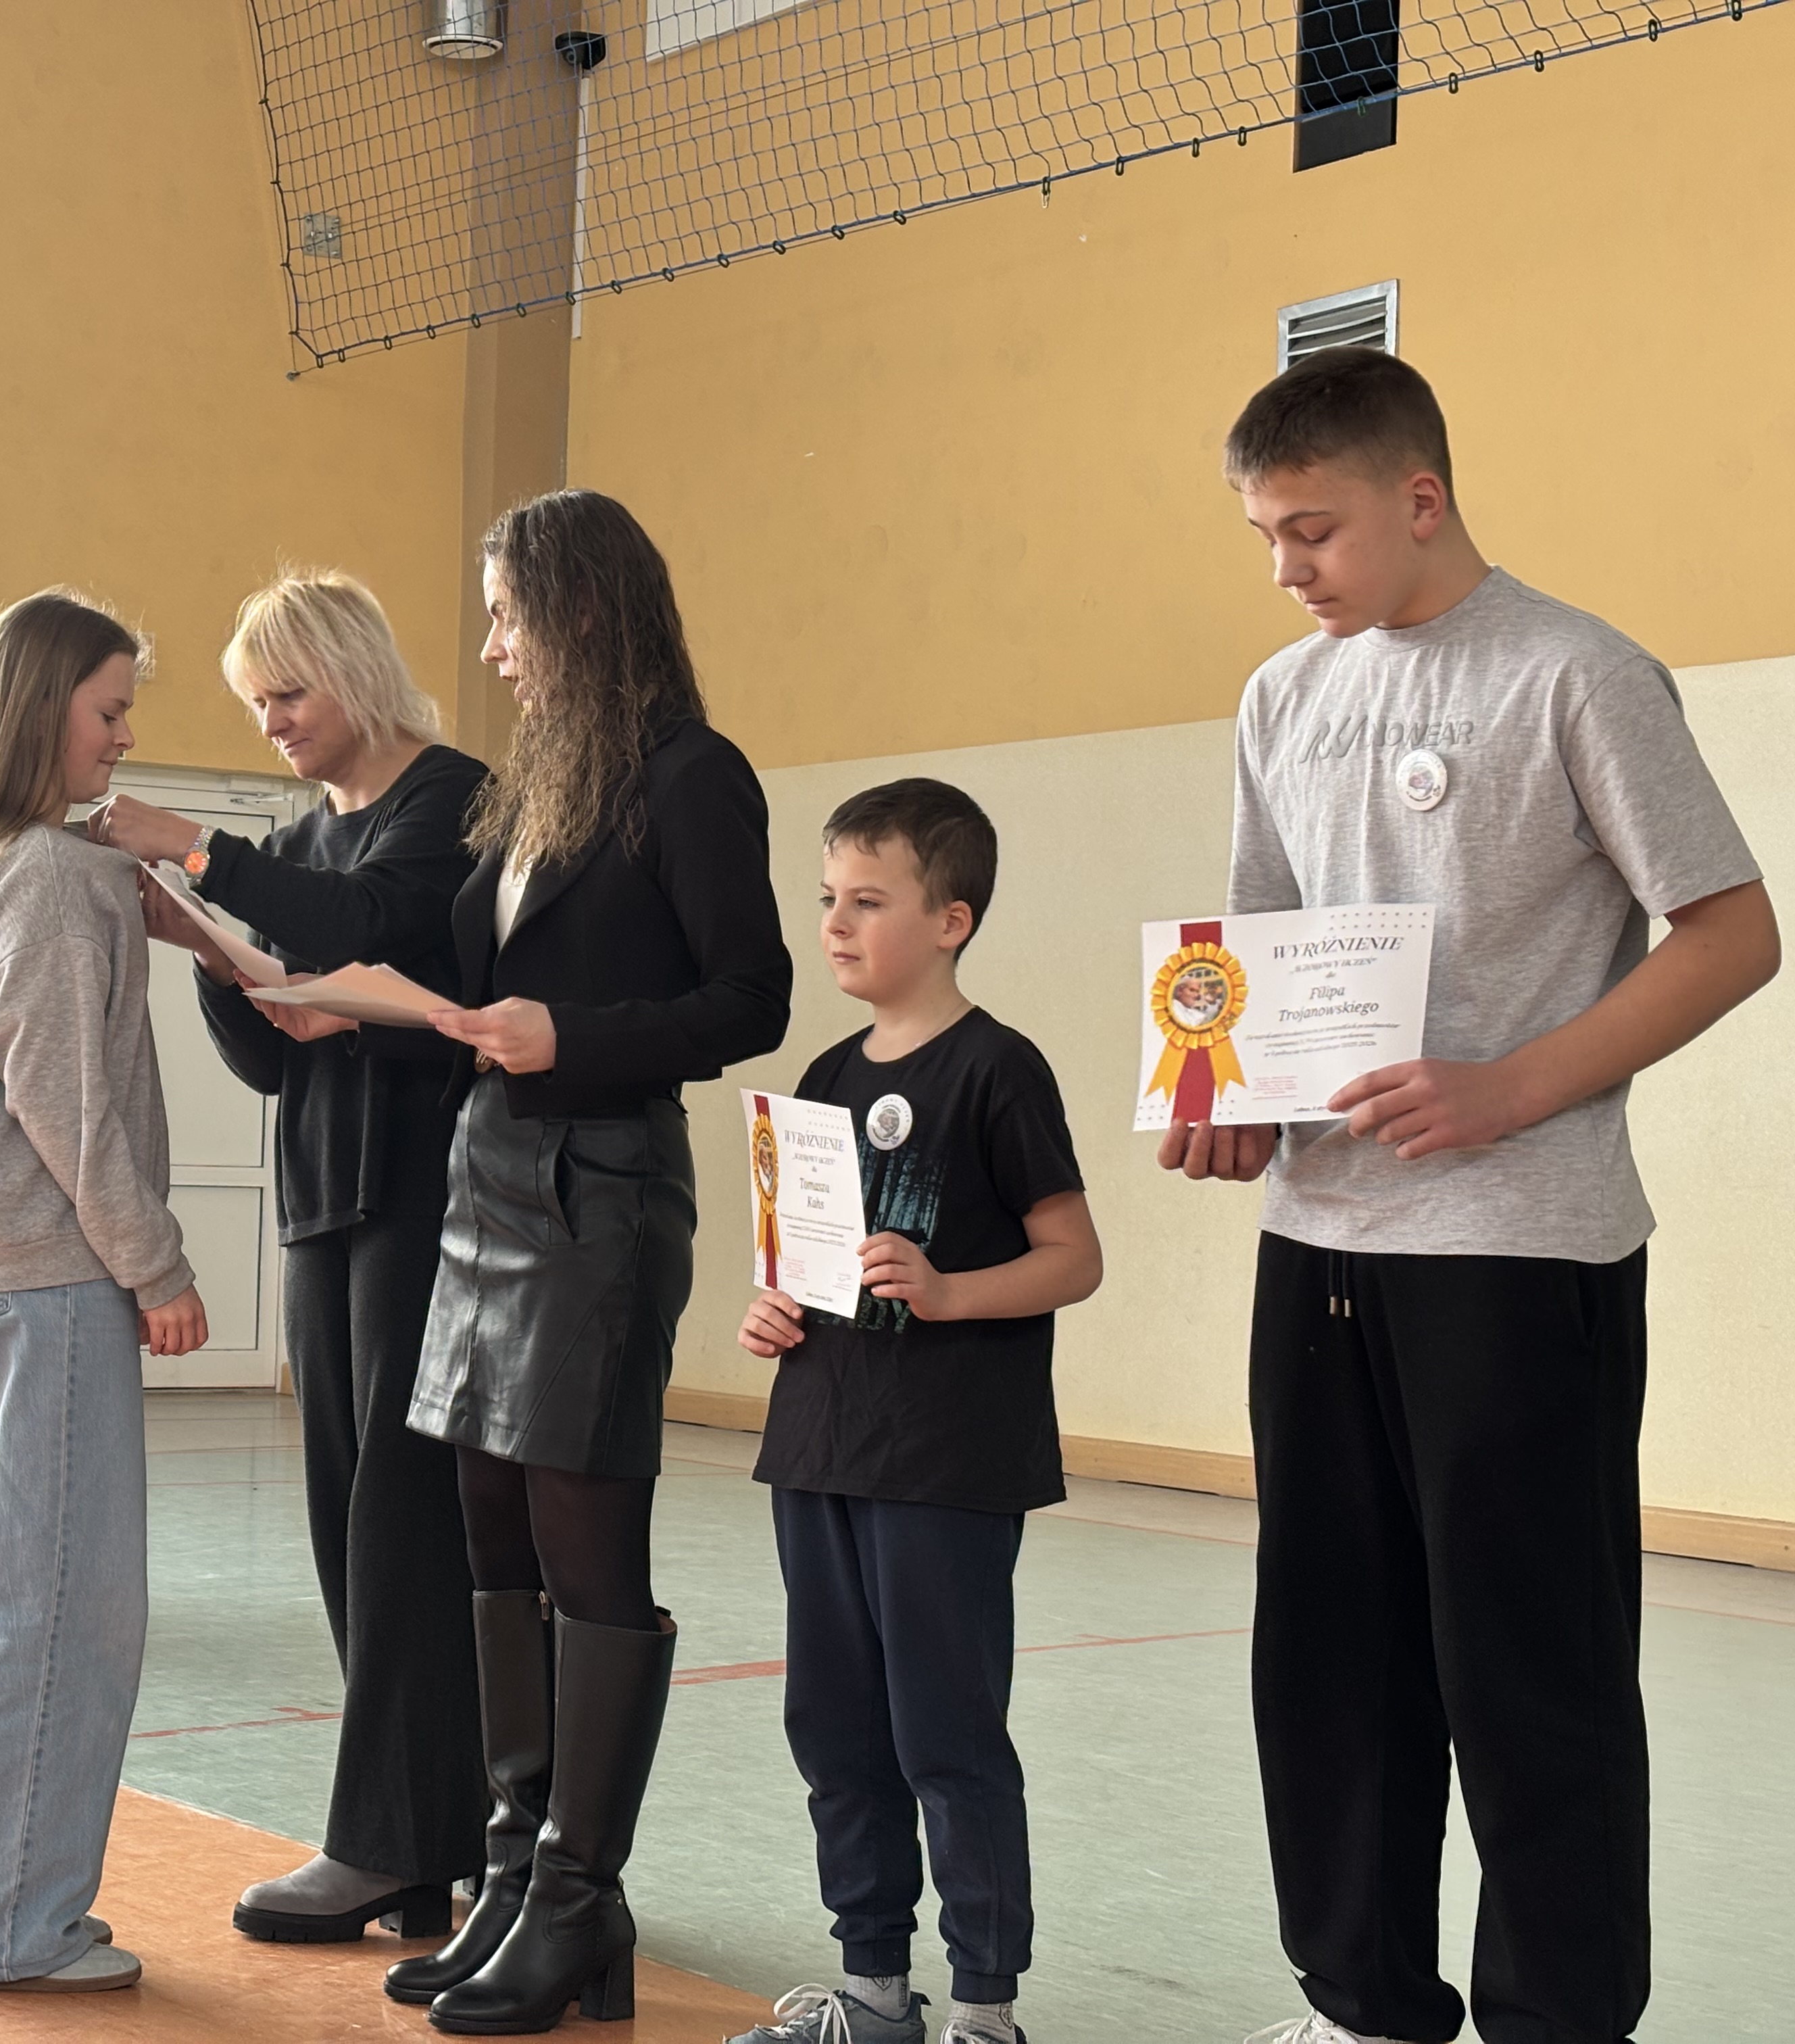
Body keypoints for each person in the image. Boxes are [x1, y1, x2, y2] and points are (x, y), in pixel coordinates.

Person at [1166, 349, 1777, 2044]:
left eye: (1312, 530)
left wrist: (1512, 1087)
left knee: (1530, 1672)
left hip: (1521, 1254)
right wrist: (1229, 1098)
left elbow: (1734, 933)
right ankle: (1362, 2002)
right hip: (1320, 1245)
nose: (1286, 568)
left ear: (1420, 498)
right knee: (1329, 1657)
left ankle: (1557, 2021)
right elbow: (1257, 956)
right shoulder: (1282, 698)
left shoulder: (1578, 674)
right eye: (1265, 537)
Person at [396, 489, 792, 2034]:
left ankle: (578, 1899)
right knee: (491, 1527)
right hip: (487, 1176)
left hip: (603, 1189)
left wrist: (570, 1038)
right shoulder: (532, 785)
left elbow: (751, 998)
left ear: (576, 610)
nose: (493, 648)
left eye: (507, 616)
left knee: (582, 1544)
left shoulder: (692, 776)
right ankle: (515, 1874)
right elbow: (478, 976)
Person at [91, 570, 489, 1943]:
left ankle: (395, 1839)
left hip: (428, 1199)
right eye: (257, 702)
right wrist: (208, 953)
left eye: (289, 692)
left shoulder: (451, 799)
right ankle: (421, 1842)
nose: (271, 720)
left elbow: (370, 932)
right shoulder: (298, 841)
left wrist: (198, 854)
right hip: (326, 1204)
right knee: (344, 1521)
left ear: (355, 669)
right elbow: (276, 1056)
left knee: (405, 1523)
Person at [724, 782, 1101, 2044]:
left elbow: (1073, 1257)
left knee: (947, 1730)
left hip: (946, 1459)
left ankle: (986, 2008)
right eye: (828, 898)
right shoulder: (824, 1075)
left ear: (951, 919)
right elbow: (803, 1261)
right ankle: (874, 1987)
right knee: (835, 1729)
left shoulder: (1000, 1069)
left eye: (867, 901)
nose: (835, 924)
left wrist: (947, 1294)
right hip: (820, 1444)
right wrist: (773, 1309)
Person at [0, 587, 206, 1995]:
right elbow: (66, 1103)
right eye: (109, 710)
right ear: (41, 711)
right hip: (61, 1276)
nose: (125, 736)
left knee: (0, 1598)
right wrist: (157, 1263)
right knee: (68, 1608)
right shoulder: (55, 879)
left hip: (5, 1273)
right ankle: (7, 1924)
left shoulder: (12, 860)